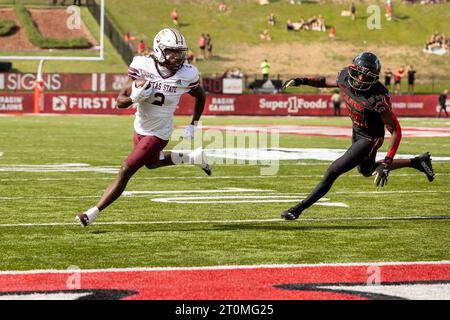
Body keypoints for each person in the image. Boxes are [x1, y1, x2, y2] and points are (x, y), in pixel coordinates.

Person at [76, 28, 211, 227]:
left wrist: (194, 124)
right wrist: (133, 98)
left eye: (179, 52)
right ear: (159, 50)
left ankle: (93, 212)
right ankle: (193, 157)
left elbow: (201, 96)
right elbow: (119, 101)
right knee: (152, 163)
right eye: (172, 51)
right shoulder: (142, 65)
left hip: (160, 132)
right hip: (140, 127)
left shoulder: (188, 73)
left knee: (126, 169)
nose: (177, 57)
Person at [280, 52, 435, 220]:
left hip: (370, 138)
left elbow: (396, 130)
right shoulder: (345, 77)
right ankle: (417, 162)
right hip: (357, 130)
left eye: (366, 75)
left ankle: (297, 209)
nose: (360, 78)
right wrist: (303, 80)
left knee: (333, 171)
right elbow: (325, 81)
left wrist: (388, 161)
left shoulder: (377, 98)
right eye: (359, 72)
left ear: (374, 78)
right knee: (366, 170)